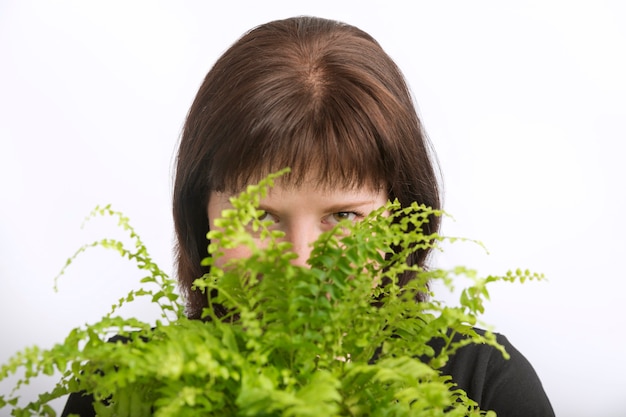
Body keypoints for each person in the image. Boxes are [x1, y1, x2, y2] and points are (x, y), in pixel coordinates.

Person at [62, 16, 554, 416]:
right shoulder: (124, 384)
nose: (300, 263)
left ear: (402, 219)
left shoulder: (483, 383)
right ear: (201, 219)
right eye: (260, 217)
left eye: (343, 217)